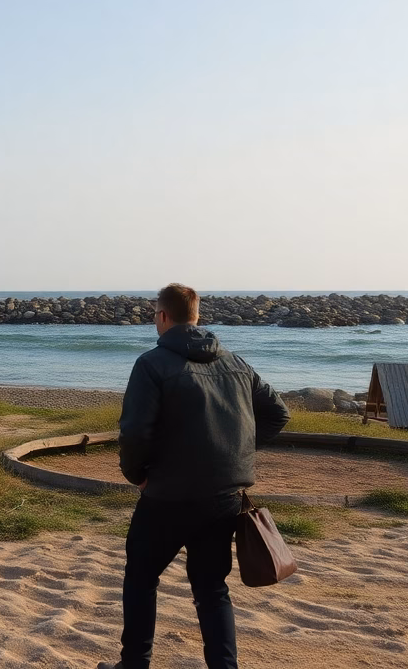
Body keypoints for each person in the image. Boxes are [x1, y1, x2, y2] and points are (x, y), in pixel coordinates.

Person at [99, 284, 290, 669]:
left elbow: (134, 432)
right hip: (223, 497)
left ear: (163, 316)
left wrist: (137, 475)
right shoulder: (236, 364)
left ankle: (134, 664)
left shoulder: (152, 364)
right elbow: (277, 414)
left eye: (155, 315)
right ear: (196, 316)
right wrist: (236, 451)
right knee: (211, 588)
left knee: (141, 579)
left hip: (166, 496)